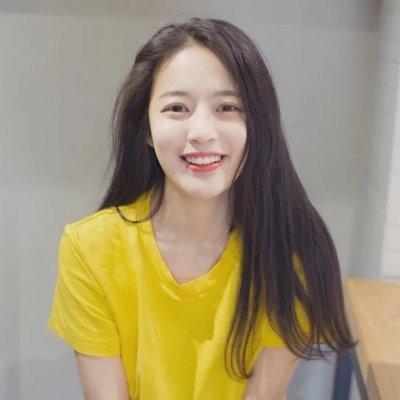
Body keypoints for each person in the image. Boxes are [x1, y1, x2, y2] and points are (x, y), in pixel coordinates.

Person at [48, 17, 357, 400]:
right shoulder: (89, 249)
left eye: (227, 107)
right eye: (177, 107)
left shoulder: (290, 253)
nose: (201, 133)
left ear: (258, 126)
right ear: (146, 129)